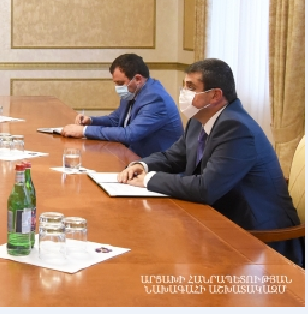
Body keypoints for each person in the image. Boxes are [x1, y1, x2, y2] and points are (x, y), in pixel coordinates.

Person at [118, 58, 303, 267]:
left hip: (261, 239)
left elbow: (206, 188)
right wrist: (141, 166)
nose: (184, 93)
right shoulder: (198, 121)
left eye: (191, 88)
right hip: (221, 221)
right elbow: (173, 157)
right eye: (184, 86)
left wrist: (148, 180)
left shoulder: (236, 128)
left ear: (215, 95)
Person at [61, 54, 183, 158]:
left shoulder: (155, 99)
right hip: (133, 157)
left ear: (138, 79)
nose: (118, 88)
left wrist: (84, 131)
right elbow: (116, 120)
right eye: (116, 83)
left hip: (159, 166)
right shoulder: (132, 92)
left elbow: (130, 134)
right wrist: (91, 121)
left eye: (120, 83)